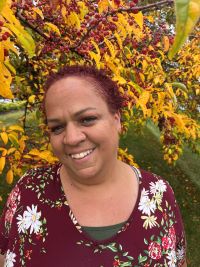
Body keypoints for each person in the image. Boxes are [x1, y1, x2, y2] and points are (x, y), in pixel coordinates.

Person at [0, 65, 187, 266]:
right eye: (57, 127)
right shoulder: (28, 191)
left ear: (117, 120)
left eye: (87, 119)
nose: (71, 138)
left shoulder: (159, 195)